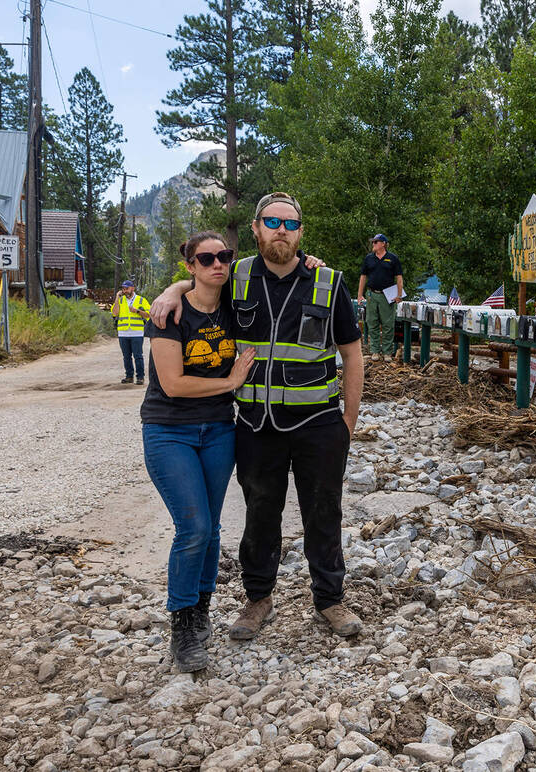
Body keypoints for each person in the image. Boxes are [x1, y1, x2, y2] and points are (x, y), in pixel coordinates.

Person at [152, 191, 365, 640]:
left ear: (301, 232)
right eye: (272, 222)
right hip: (256, 425)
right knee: (260, 515)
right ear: (256, 228)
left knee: (323, 514)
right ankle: (257, 599)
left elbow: (352, 353)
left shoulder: (328, 281)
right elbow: (197, 286)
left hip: (319, 424)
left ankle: (329, 600)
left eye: (289, 224)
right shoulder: (237, 275)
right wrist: (171, 290)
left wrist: (349, 420)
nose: (280, 231)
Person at [142, 231, 255, 672]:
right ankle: (182, 626)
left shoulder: (234, 309)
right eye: (205, 258)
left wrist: (312, 261)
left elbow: (276, 273)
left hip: (219, 432)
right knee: (192, 527)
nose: (217, 264)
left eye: (224, 256)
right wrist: (230, 383)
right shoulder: (169, 314)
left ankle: (201, 609)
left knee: (210, 530)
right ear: (190, 265)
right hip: (170, 431)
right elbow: (172, 383)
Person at [357, 234, 403, 358]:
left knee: (388, 324)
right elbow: (363, 276)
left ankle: (387, 352)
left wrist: (399, 295)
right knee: (372, 322)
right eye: (373, 242)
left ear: (383, 244)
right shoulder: (369, 258)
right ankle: (375, 351)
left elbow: (399, 277)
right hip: (372, 294)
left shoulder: (392, 258)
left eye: (376, 242)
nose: (373, 244)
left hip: (387, 295)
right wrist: (360, 295)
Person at [112, 280, 151, 384]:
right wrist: (117, 297)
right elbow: (115, 313)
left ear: (132, 288)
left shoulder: (141, 300)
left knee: (138, 356)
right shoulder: (120, 300)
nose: (124, 290)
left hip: (137, 333)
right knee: (126, 356)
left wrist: (137, 311)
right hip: (123, 333)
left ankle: (140, 377)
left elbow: (149, 314)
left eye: (126, 288)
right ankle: (129, 376)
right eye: (123, 289)